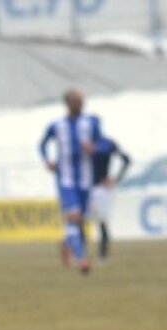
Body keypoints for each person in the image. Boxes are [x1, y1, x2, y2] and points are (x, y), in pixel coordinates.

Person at [40, 89, 101, 275]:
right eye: (76, 101)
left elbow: (103, 143)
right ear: (67, 103)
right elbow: (42, 144)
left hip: (85, 179)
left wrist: (94, 148)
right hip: (65, 179)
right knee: (73, 217)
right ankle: (81, 259)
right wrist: (47, 160)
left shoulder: (91, 122)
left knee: (80, 220)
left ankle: (69, 244)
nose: (79, 104)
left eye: (81, 101)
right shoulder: (56, 125)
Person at [88, 136, 131, 263]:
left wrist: (116, 178)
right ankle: (80, 254)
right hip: (84, 188)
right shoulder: (81, 140)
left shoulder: (107, 143)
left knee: (102, 222)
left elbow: (126, 160)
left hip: (101, 188)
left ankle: (103, 255)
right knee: (79, 220)